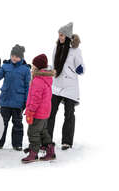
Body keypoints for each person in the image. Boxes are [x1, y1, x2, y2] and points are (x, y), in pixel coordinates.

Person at [47, 22, 85, 150]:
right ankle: (47, 140)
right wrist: (48, 69)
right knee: (50, 112)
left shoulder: (75, 50)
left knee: (69, 113)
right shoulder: (56, 48)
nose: (60, 37)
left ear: (67, 36)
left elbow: (82, 67)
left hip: (70, 86)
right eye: (59, 34)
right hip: (56, 84)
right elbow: (53, 64)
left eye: (62, 34)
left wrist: (80, 68)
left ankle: (67, 141)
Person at [0, 44, 31, 151]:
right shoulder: (6, 66)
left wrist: (26, 102)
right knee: (2, 123)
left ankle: (17, 144)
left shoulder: (25, 69)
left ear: (21, 57)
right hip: (5, 100)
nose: (14, 58)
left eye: (17, 56)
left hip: (18, 102)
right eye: (12, 55)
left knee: (17, 123)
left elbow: (28, 86)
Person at [21, 54, 56, 163]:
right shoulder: (46, 78)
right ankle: (50, 150)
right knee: (43, 131)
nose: (32, 67)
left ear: (38, 67)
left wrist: (31, 110)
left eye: (34, 66)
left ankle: (34, 152)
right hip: (45, 112)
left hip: (37, 112)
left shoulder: (38, 81)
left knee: (33, 132)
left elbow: (35, 98)